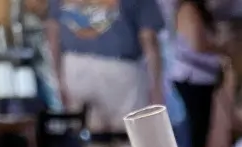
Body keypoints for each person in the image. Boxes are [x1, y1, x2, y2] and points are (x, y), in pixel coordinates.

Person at [46, 0, 165, 130]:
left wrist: (59, 81)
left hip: (74, 66)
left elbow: (53, 34)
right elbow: (149, 38)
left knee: (92, 138)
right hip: (121, 69)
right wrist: (156, 87)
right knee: (130, 136)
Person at [169, 0, 224, 147]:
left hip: (202, 81)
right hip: (192, 81)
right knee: (194, 136)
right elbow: (197, 44)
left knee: (200, 135)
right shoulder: (188, 9)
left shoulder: (200, 10)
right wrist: (223, 46)